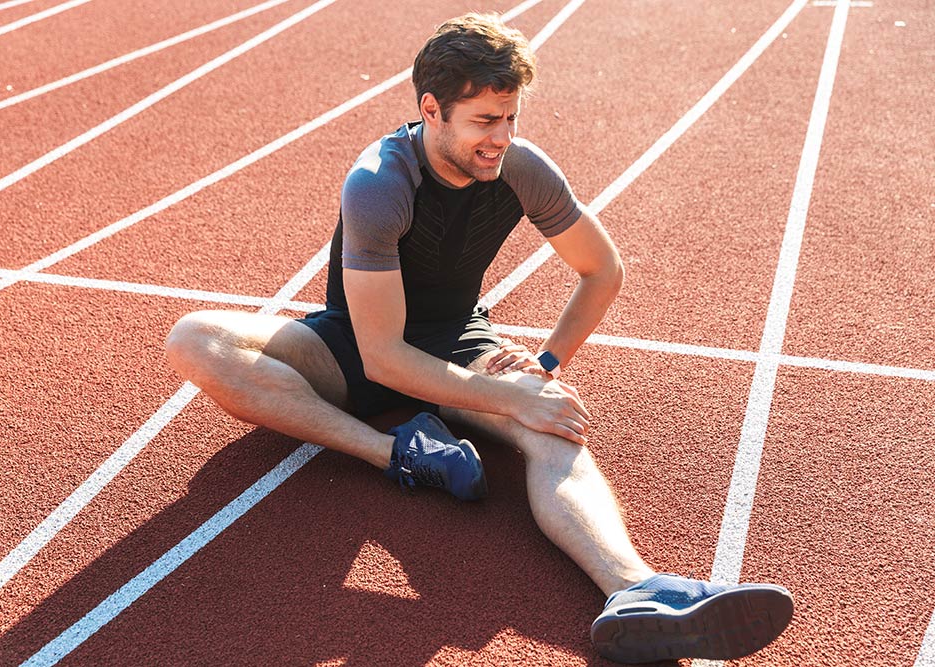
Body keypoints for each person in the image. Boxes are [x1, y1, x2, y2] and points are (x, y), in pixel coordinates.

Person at [165, 12, 793, 663]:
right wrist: (508, 399)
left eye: (512, 117)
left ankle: (635, 587)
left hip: (460, 341)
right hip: (353, 344)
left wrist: (543, 368)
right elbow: (381, 356)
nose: (503, 138)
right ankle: (397, 452)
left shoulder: (522, 169)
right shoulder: (379, 183)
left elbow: (602, 270)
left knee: (554, 423)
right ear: (431, 110)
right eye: (485, 122)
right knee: (195, 340)